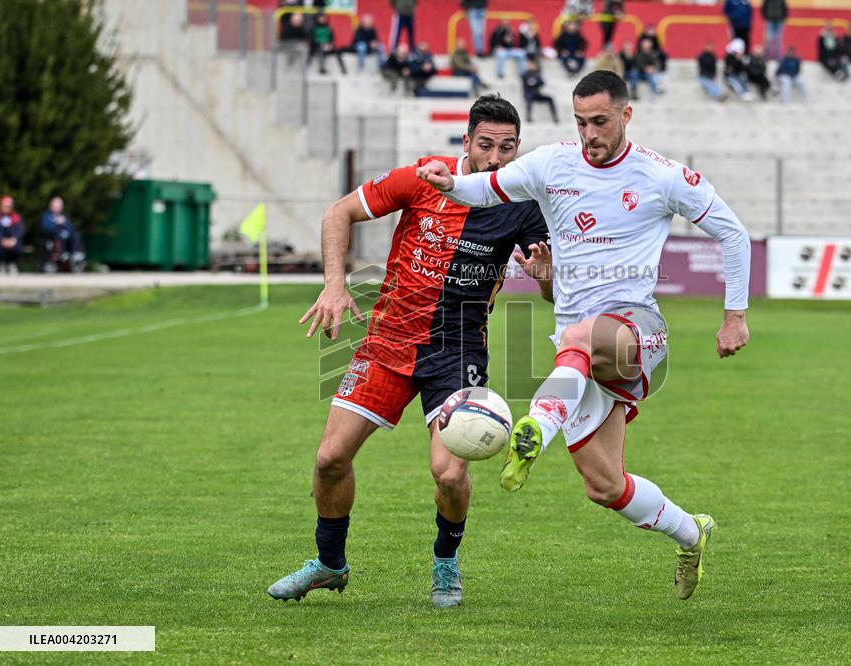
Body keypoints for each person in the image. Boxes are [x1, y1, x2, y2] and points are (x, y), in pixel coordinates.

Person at [416, 70, 751, 601]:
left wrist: (735, 315)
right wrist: (448, 183)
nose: (589, 133)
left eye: (599, 122)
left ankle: (534, 434)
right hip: (577, 360)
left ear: (625, 115)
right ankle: (692, 533)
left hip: (636, 335)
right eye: (580, 122)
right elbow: (488, 188)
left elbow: (732, 233)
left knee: (583, 333)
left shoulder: (662, 176)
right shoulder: (553, 163)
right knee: (605, 485)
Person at [267, 95, 550, 608]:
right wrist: (335, 285)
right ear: (466, 142)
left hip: (458, 350)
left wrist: (546, 279)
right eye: (486, 145)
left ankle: (446, 564)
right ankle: (330, 564)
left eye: (507, 148)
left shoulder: (524, 204)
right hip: (387, 342)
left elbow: (550, 285)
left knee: (449, 472)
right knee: (330, 458)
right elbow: (340, 214)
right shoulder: (424, 177)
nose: (496, 158)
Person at [40, 197, 84, 272]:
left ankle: (74, 254)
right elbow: (45, 228)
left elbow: (71, 228)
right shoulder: (47, 216)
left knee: (76, 235)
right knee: (61, 235)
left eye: (59, 207)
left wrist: (64, 223)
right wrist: (56, 224)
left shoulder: (64, 216)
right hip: (53, 237)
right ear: (51, 206)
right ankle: (62, 253)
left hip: (67, 238)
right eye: (56, 206)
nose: (58, 208)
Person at [523, 56, 560, 123]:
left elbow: (542, 83)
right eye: (530, 65)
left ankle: (555, 117)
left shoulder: (537, 74)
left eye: (533, 65)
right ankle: (528, 117)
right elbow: (525, 85)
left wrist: (536, 82)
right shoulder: (525, 74)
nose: (531, 66)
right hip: (529, 94)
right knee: (529, 100)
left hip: (537, 93)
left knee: (550, 99)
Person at [0, 196, 25, 275]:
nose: (7, 208)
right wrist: (1, 240)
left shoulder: (16, 217)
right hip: (0, 241)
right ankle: (3, 264)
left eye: (9, 206)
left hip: (13, 241)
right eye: (5, 206)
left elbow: (21, 230)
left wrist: (14, 239)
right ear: (1, 206)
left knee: (19, 245)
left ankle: (12, 264)